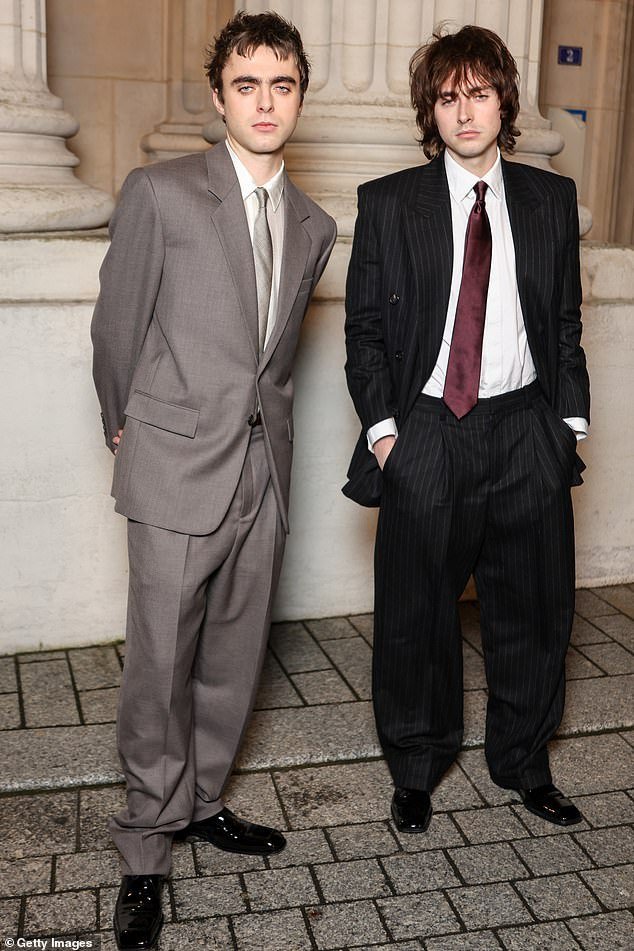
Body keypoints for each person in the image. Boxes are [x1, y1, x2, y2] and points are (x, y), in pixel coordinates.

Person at [91, 11, 336, 949]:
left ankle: (199, 800)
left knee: (233, 656)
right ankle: (146, 843)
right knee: (161, 661)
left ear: (300, 96)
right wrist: (126, 427)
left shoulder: (314, 224)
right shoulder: (161, 192)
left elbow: (272, 361)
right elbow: (117, 327)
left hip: (262, 471)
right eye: (247, 84)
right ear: (219, 95)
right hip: (174, 464)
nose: (264, 101)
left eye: (282, 84)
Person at [344, 25, 589, 837]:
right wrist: (387, 436)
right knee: (414, 612)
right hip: (426, 430)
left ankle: (525, 763)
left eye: (478, 93)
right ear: (431, 111)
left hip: (525, 429)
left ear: (504, 102)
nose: (464, 111)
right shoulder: (387, 203)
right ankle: (417, 767)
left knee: (535, 607)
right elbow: (364, 333)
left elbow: (564, 322)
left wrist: (567, 427)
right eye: (448, 98)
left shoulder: (550, 201)